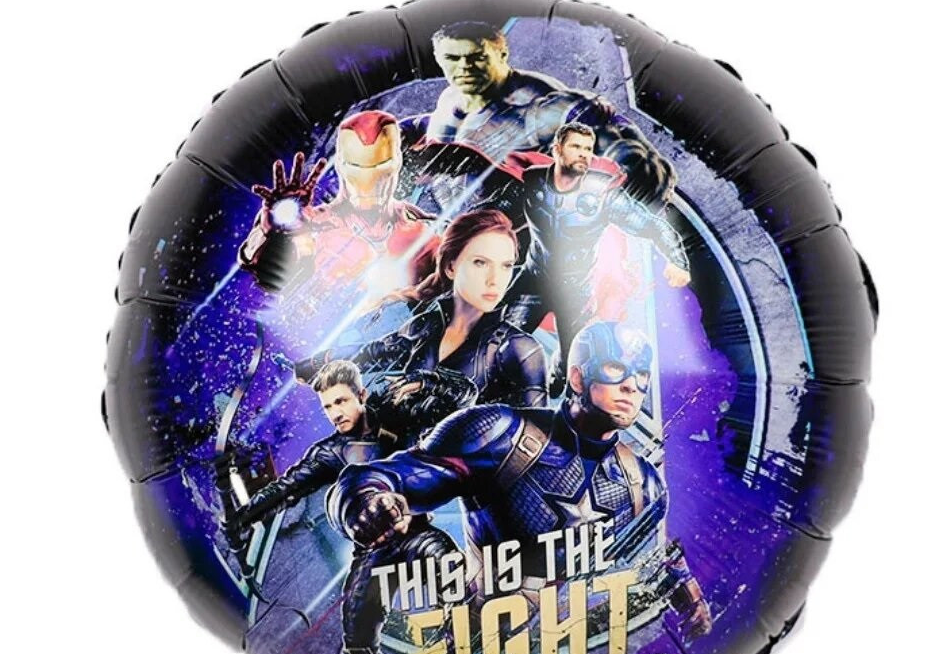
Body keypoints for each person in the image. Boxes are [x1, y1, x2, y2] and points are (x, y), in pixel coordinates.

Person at [329, 321, 711, 638]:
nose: (631, 385)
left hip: (532, 635)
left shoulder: (644, 486)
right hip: (463, 607)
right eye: (615, 369)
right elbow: (386, 477)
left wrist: (688, 593)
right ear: (578, 377)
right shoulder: (499, 433)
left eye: (641, 375)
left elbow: (652, 554)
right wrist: (365, 501)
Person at [225, 358, 468, 654]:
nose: (335, 413)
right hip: (373, 552)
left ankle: (460, 644)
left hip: (417, 535)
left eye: (340, 401)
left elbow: (464, 398)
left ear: (361, 395)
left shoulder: (398, 418)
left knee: (456, 578)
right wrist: (242, 517)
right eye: (327, 407)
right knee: (358, 647)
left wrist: (424, 382)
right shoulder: (329, 453)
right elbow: (286, 488)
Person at [405, 20, 676, 210]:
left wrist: (635, 170)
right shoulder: (451, 99)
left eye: (477, 57)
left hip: (526, 241)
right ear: (439, 59)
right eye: (452, 59)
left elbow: (624, 149)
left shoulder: (539, 104)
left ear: (502, 54)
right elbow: (441, 129)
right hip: (462, 238)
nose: (465, 67)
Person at [296, 207, 548, 409]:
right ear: (451, 267)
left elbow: (535, 433)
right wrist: (319, 362)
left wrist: (440, 386)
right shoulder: (427, 326)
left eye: (506, 265)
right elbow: (372, 353)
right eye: (480, 262)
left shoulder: (519, 349)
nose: (495, 279)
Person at [503, 121, 692, 386]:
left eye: (588, 149)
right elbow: (499, 213)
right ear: (557, 150)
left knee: (570, 370)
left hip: (575, 291)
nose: (584, 154)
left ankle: (558, 373)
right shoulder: (533, 181)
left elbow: (652, 225)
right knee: (498, 345)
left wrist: (677, 260)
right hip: (533, 278)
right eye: (576, 147)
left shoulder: (603, 195)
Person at [239, 110, 436, 297]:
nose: (369, 179)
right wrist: (267, 232)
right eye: (356, 167)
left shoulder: (406, 213)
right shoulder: (323, 229)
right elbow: (259, 267)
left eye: (381, 167)